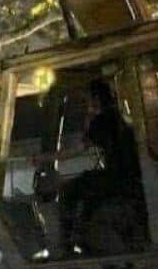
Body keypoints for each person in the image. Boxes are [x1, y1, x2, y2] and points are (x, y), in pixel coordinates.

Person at [56, 78, 142, 256]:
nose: (86, 103)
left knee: (69, 191)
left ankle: (66, 244)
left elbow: (79, 149)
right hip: (129, 174)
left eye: (87, 99)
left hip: (118, 177)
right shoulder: (119, 116)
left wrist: (42, 158)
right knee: (89, 193)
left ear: (95, 99)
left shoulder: (101, 121)